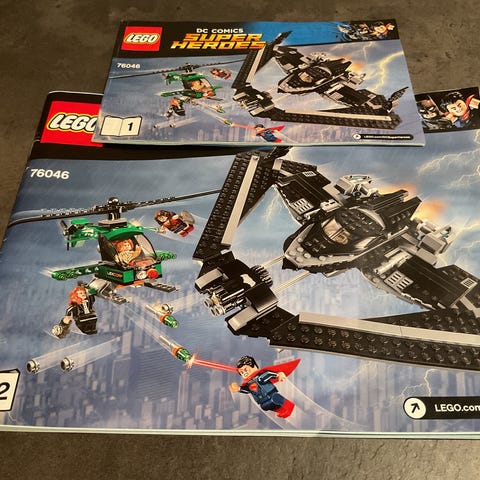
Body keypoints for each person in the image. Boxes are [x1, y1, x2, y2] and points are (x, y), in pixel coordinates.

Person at [228, 355, 300, 418]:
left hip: (270, 393)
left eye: (246, 370)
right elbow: (247, 390)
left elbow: (268, 374)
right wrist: (239, 388)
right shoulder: (248, 384)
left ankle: (289, 406)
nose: (244, 373)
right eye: (242, 372)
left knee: (275, 398)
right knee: (265, 406)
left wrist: (278, 375)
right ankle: (281, 410)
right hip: (262, 400)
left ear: (254, 366)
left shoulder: (259, 376)